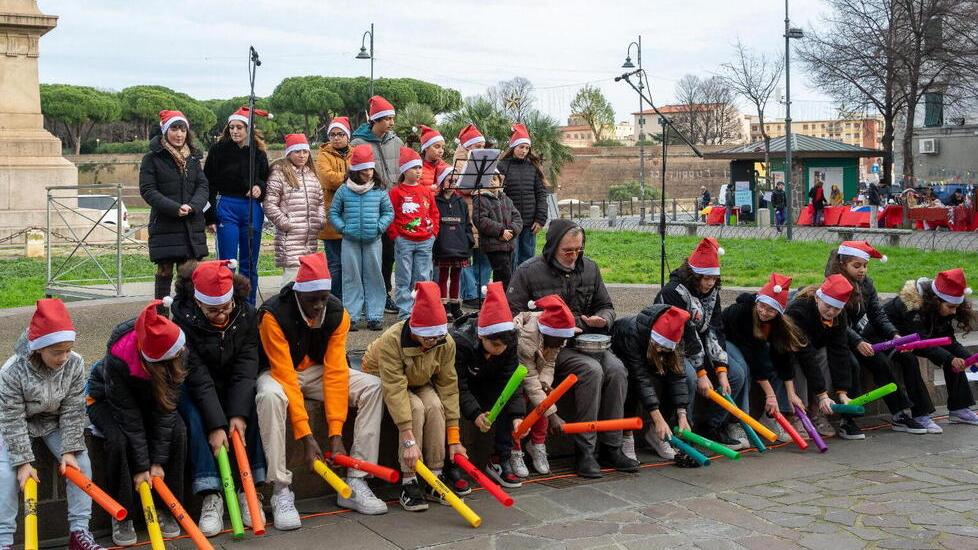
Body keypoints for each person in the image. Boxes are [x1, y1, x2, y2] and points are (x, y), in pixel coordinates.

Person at [255, 252, 388, 528]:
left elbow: (337, 371)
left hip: (314, 371)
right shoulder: (273, 315)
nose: (318, 306)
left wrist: (335, 433)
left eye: (323, 298)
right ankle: (280, 489)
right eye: (311, 299)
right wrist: (306, 436)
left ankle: (357, 478)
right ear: (298, 294)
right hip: (278, 373)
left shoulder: (338, 314)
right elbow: (286, 376)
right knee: (269, 396)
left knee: (372, 386)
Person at [508, 219, 638, 478]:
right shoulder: (529, 270)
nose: (574, 255)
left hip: (589, 339)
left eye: (578, 249)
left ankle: (611, 446)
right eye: (568, 251)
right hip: (551, 345)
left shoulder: (589, 268)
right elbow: (513, 314)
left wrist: (604, 318)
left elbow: (607, 305)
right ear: (553, 247)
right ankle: (584, 450)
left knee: (617, 369)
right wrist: (554, 321)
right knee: (591, 371)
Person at [170, 260, 267, 537]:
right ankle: (211, 493)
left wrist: (237, 415)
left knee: (252, 407)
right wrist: (216, 426)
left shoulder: (246, 315)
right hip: (197, 386)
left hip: (234, 384)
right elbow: (197, 376)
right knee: (193, 413)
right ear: (199, 304)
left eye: (226, 308)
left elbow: (247, 367)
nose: (221, 316)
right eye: (213, 310)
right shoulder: (183, 321)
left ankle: (249, 491)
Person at [0, 300, 104, 550]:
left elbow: (72, 408)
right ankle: (3, 540)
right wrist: (24, 462)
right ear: (38, 349)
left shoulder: (75, 363)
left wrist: (69, 450)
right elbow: (11, 417)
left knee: (82, 464)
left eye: (68, 349)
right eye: (57, 352)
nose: (64, 357)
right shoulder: (12, 371)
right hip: (16, 423)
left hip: (52, 421)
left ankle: (79, 533)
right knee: (5, 474)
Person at [87, 300, 187, 545]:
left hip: (150, 400)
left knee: (178, 432)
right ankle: (122, 514)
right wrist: (143, 467)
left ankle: (167, 506)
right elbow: (129, 418)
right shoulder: (119, 358)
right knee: (118, 440)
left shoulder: (178, 349)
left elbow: (167, 411)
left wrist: (158, 463)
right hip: (105, 400)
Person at [360, 281, 466, 511]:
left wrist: (454, 438)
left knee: (435, 406)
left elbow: (448, 384)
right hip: (382, 377)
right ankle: (409, 479)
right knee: (415, 408)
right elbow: (395, 389)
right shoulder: (392, 340)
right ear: (415, 330)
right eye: (427, 338)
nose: (431, 344)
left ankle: (434, 476)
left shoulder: (444, 342)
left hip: (418, 379)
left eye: (436, 338)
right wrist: (408, 440)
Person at [824, 242, 926, 438]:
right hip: (839, 339)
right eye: (857, 265)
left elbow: (878, 314)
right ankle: (847, 420)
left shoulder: (867, 284)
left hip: (862, 338)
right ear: (843, 264)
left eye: (865, 265)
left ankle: (899, 414)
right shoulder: (835, 283)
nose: (862, 270)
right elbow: (838, 321)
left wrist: (894, 334)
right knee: (851, 365)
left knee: (883, 362)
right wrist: (857, 342)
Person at [654, 238, 746, 449]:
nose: (709, 284)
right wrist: (702, 373)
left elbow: (715, 327)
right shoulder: (673, 292)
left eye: (713, 279)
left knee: (736, 375)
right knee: (689, 378)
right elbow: (685, 332)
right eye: (705, 279)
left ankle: (713, 426)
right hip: (673, 345)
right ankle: (684, 430)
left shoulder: (712, 291)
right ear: (693, 275)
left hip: (700, 344)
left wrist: (721, 369)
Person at [868, 269, 977, 432]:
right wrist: (949, 359)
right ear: (936, 301)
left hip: (911, 339)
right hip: (883, 339)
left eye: (956, 307)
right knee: (910, 360)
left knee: (951, 356)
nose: (954, 312)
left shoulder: (941, 307)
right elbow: (922, 342)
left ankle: (959, 408)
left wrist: (970, 359)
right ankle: (920, 413)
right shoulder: (911, 306)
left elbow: (949, 341)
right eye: (951, 307)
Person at [450, 282, 525, 488]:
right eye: (495, 345)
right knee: (450, 406)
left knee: (504, 400)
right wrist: (475, 414)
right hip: (461, 385)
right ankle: (453, 463)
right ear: (482, 335)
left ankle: (502, 457)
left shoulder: (507, 343)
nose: (501, 350)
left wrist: (518, 416)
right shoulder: (460, 342)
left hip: (490, 380)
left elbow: (512, 379)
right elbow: (456, 385)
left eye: (504, 346)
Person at [721, 273, 807, 443]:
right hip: (726, 340)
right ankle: (737, 422)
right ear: (757, 301)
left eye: (771, 310)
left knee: (775, 363)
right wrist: (770, 395)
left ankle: (771, 417)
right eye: (762, 306)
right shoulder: (744, 312)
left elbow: (783, 356)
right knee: (743, 370)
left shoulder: (776, 324)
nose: (764, 312)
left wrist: (792, 394)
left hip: (750, 349)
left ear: (779, 313)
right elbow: (754, 357)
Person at [204, 106, 271, 305]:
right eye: (232, 127)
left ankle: (248, 305)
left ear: (248, 129)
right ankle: (227, 303)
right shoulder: (218, 151)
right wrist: (210, 217)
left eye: (239, 127)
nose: (235, 131)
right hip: (227, 207)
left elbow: (265, 179)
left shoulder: (258, 153)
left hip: (251, 208)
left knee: (249, 262)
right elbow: (208, 184)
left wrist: (259, 187)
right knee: (227, 262)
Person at [140, 110, 209, 302]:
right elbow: (148, 190)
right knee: (164, 270)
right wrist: (174, 208)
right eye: (174, 129)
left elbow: (203, 185)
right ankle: (161, 317)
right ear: (165, 131)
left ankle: (185, 316)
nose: (179, 134)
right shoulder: (151, 159)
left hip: (191, 223)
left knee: (188, 273)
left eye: (183, 129)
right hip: (165, 223)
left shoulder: (193, 159)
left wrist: (193, 206)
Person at [611, 305, 693, 464]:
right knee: (632, 384)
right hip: (621, 352)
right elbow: (640, 378)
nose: (660, 349)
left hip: (648, 358)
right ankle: (626, 436)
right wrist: (658, 419)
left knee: (672, 379)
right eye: (658, 344)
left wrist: (682, 415)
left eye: (664, 347)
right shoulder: (633, 333)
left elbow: (678, 376)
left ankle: (657, 435)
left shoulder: (677, 337)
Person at [329, 145, 395, 331]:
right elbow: (333, 213)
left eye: (370, 168)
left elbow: (388, 212)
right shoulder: (344, 190)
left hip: (373, 241)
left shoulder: (379, 191)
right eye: (364, 169)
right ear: (355, 171)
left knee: (375, 276)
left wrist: (379, 227)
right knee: (351, 278)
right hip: (350, 241)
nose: (368, 172)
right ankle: (352, 315)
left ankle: (375, 315)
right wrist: (344, 228)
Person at [779, 275, 853, 438]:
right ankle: (798, 412)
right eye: (828, 306)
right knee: (799, 363)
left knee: (826, 356)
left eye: (837, 309)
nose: (832, 312)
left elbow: (839, 349)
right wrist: (823, 394)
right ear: (818, 298)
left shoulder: (839, 316)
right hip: (791, 349)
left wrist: (842, 392)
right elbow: (804, 354)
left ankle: (817, 411)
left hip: (814, 346)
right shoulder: (799, 310)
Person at [513, 294, 576, 475]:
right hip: (516, 377)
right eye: (560, 340)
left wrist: (546, 383)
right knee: (524, 402)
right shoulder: (527, 338)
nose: (562, 344)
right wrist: (553, 414)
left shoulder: (555, 336)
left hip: (534, 376)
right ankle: (515, 448)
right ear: (547, 333)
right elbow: (528, 377)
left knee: (544, 396)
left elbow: (550, 363)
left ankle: (537, 444)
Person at [351, 96, 403, 314]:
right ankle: (365, 297)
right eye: (387, 118)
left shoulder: (397, 142)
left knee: (389, 255)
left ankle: (385, 295)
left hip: (393, 207)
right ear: (376, 120)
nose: (391, 122)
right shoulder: (358, 144)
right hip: (370, 207)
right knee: (370, 255)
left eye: (392, 118)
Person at [264, 134, 326, 286]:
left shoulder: (312, 175)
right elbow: (269, 204)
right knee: (291, 281)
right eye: (297, 151)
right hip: (290, 239)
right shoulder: (279, 174)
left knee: (307, 282)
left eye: (305, 151)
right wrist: (286, 223)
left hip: (310, 239)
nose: (302, 155)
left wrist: (320, 220)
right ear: (289, 153)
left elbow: (320, 202)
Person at [389, 147, 440, 319]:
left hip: (425, 240)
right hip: (404, 240)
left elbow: (434, 212)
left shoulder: (426, 191)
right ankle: (405, 311)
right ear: (404, 170)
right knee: (404, 276)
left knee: (423, 276)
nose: (419, 172)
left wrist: (434, 233)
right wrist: (395, 236)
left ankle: (421, 310)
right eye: (414, 168)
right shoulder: (396, 192)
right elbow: (391, 215)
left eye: (420, 168)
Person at [453, 123, 494, 308]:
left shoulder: (487, 162)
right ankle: (470, 293)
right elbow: (460, 186)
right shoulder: (459, 163)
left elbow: (496, 184)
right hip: (467, 215)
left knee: (485, 255)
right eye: (477, 146)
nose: (481, 149)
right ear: (468, 146)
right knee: (465, 256)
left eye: (482, 146)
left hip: (484, 212)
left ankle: (481, 290)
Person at [498, 123, 548, 270]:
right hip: (510, 222)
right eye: (521, 147)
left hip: (529, 223)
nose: (524, 151)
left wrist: (540, 219)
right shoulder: (501, 166)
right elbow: (498, 195)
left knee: (528, 261)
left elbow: (541, 194)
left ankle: (527, 290)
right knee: (511, 260)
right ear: (513, 147)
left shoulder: (533, 167)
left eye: (527, 148)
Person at [316, 116, 354, 301]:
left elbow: (365, 175)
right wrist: (351, 178)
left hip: (354, 216)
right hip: (333, 217)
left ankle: (352, 300)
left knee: (352, 264)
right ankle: (335, 300)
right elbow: (327, 179)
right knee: (335, 263)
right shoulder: (323, 155)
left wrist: (349, 177)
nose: (336, 138)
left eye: (340, 134)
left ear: (348, 136)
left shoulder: (356, 153)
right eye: (332, 134)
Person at [432, 164, 473, 321]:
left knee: (456, 274)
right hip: (443, 245)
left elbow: (467, 223)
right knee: (443, 275)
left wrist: (468, 239)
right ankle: (443, 305)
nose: (453, 183)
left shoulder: (460, 202)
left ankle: (455, 305)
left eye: (455, 180)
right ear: (442, 181)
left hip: (459, 244)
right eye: (450, 180)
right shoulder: (436, 201)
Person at [472, 170, 523, 291]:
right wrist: (500, 231)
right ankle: (505, 301)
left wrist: (510, 231)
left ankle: (498, 300)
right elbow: (480, 220)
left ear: (500, 180)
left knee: (504, 274)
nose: (491, 182)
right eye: (488, 179)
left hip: (509, 243)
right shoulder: (480, 198)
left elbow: (517, 218)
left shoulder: (506, 198)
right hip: (493, 244)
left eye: (494, 179)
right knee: (504, 274)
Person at [418, 125, 446, 192]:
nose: (441, 151)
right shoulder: (417, 169)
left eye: (443, 147)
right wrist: (429, 189)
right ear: (426, 148)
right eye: (437, 147)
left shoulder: (446, 168)